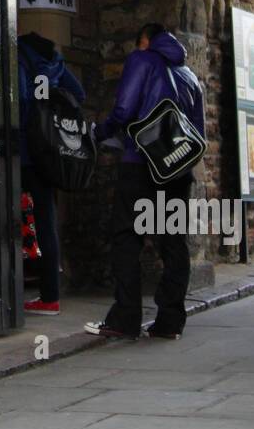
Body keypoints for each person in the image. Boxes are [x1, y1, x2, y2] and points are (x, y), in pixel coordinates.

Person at [84, 23, 205, 340]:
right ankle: (170, 322)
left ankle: (125, 318)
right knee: (173, 241)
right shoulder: (191, 78)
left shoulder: (143, 60)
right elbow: (198, 134)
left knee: (127, 237)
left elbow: (124, 110)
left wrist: (101, 132)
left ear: (145, 41)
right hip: (176, 170)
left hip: (140, 164)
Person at [17, 29, 86, 316]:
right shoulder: (55, 60)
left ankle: (5, 291)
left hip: (24, 150)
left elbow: (20, 98)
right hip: (49, 152)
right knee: (46, 222)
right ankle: (50, 296)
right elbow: (78, 94)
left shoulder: (20, 58)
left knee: (8, 218)